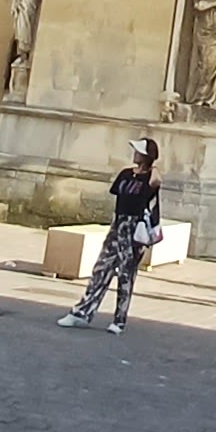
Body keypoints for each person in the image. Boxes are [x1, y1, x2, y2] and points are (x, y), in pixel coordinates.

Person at [58, 139, 162, 337]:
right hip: (119, 224)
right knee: (101, 268)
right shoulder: (126, 174)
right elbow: (118, 195)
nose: (135, 154)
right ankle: (82, 312)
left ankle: (119, 319)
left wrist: (153, 169)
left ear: (147, 156)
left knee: (126, 274)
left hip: (135, 229)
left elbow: (154, 189)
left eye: (139, 151)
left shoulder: (151, 178)